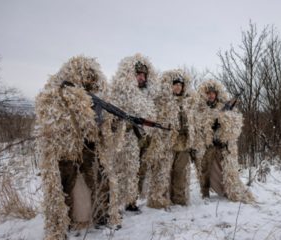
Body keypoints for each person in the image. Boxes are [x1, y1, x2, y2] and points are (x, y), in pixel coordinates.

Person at [35, 55, 121, 240]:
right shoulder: (58, 94)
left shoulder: (98, 98)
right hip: (65, 150)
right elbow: (50, 122)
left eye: (92, 77)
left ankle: (101, 217)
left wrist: (112, 125)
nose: (89, 80)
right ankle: (61, 225)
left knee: (99, 181)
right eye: (86, 76)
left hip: (89, 150)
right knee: (64, 186)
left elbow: (100, 128)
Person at [109, 53, 158, 212]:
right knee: (121, 171)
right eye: (139, 74)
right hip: (126, 139)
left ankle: (131, 201)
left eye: (144, 75)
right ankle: (115, 205)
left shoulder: (148, 95)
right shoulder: (121, 93)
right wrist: (126, 126)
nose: (142, 77)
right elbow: (113, 116)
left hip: (142, 139)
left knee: (136, 171)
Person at [194, 79, 254, 203]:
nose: (211, 95)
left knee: (226, 169)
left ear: (216, 94)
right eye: (208, 93)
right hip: (208, 145)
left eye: (213, 93)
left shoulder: (223, 107)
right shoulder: (201, 109)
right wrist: (210, 126)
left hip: (222, 145)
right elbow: (198, 126)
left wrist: (223, 120)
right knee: (205, 169)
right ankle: (205, 194)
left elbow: (234, 124)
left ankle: (228, 190)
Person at [144, 69, 196, 208]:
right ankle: (159, 200)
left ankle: (179, 199)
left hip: (183, 143)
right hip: (166, 143)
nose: (178, 87)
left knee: (181, 172)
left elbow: (194, 122)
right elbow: (154, 119)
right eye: (175, 84)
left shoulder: (188, 102)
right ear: (170, 85)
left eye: (180, 84)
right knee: (163, 172)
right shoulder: (162, 101)